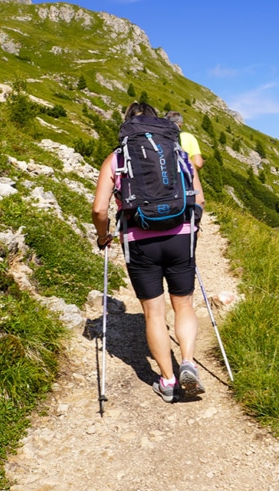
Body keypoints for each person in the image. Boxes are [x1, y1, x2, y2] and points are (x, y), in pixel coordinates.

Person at [92, 102, 206, 403]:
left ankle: (167, 381)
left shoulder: (117, 158)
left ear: (126, 125)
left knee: (154, 312)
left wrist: (103, 236)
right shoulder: (179, 153)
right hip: (181, 236)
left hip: (139, 240)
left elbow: (99, 208)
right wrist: (192, 228)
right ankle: (188, 363)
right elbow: (200, 200)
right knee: (184, 305)